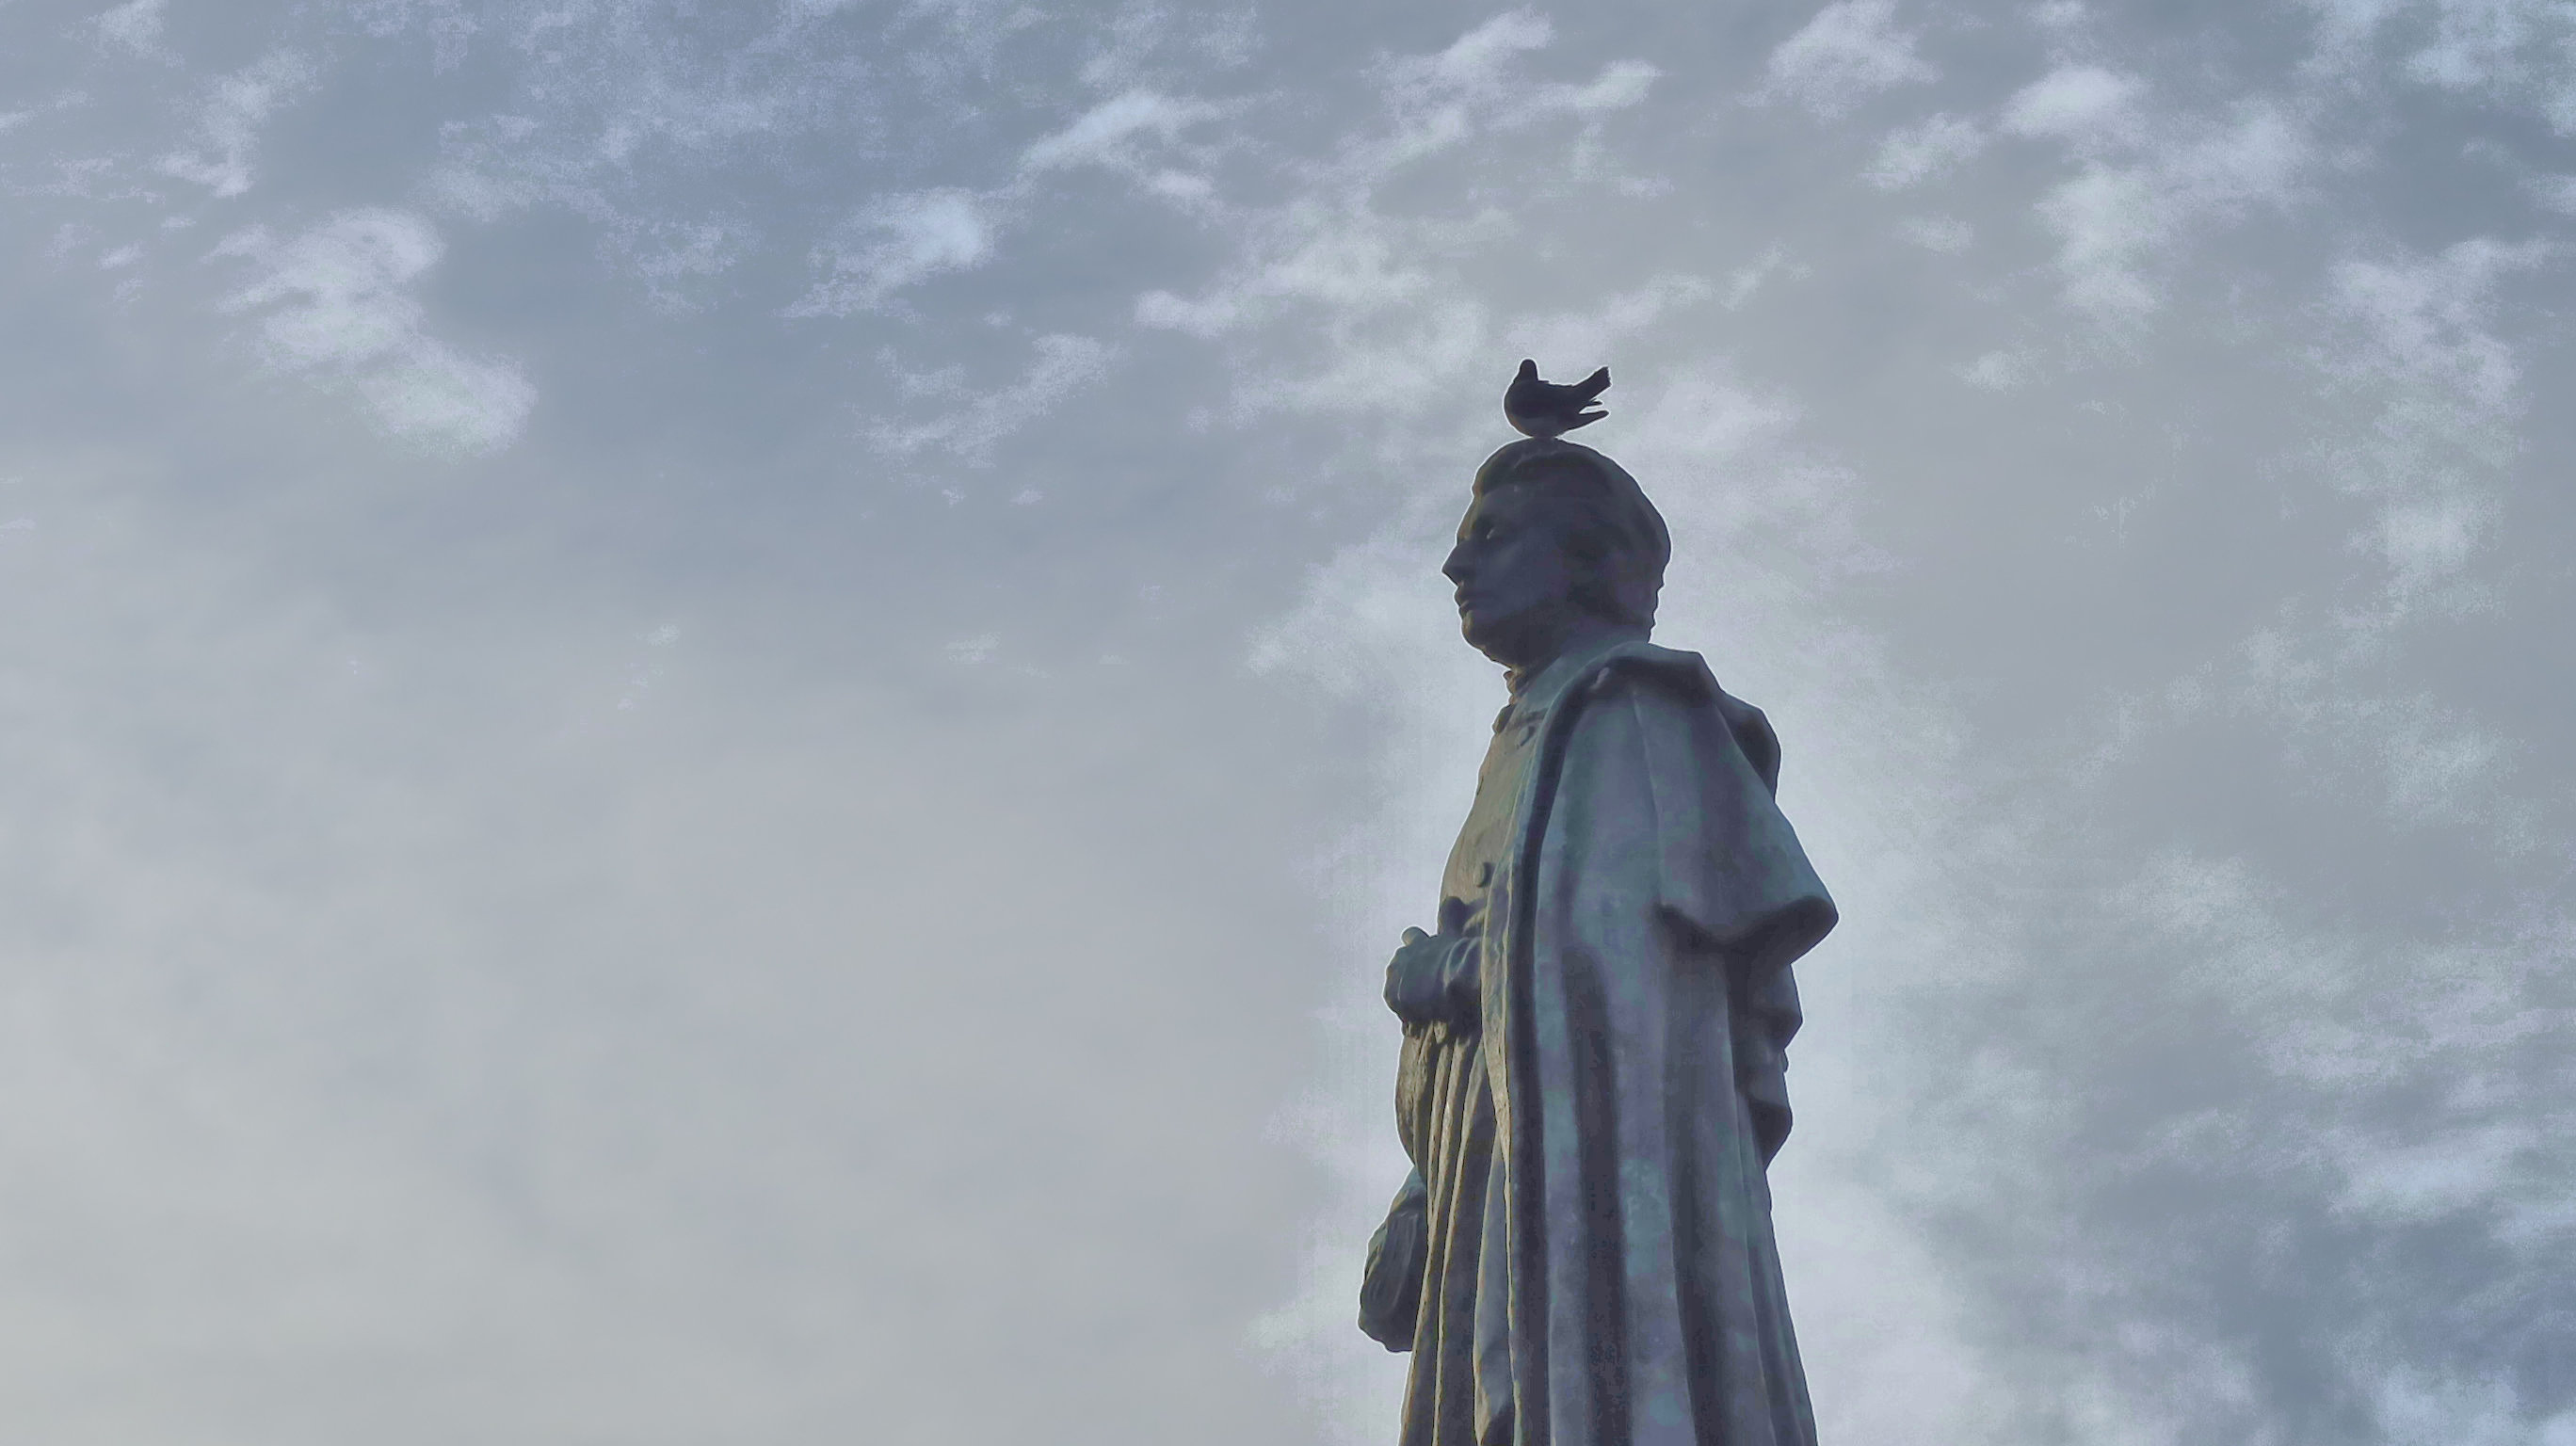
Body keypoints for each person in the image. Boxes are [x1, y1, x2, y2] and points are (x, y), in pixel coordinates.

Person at [1360, 434, 1839, 1446]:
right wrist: (1425, 1193)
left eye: (1494, 535)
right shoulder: (1530, 734)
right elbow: (1525, 988)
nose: (1456, 565)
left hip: (1607, 1180)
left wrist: (1445, 973)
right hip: (1496, 1163)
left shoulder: (1630, 706)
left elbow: (1613, 958)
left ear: (1583, 558)